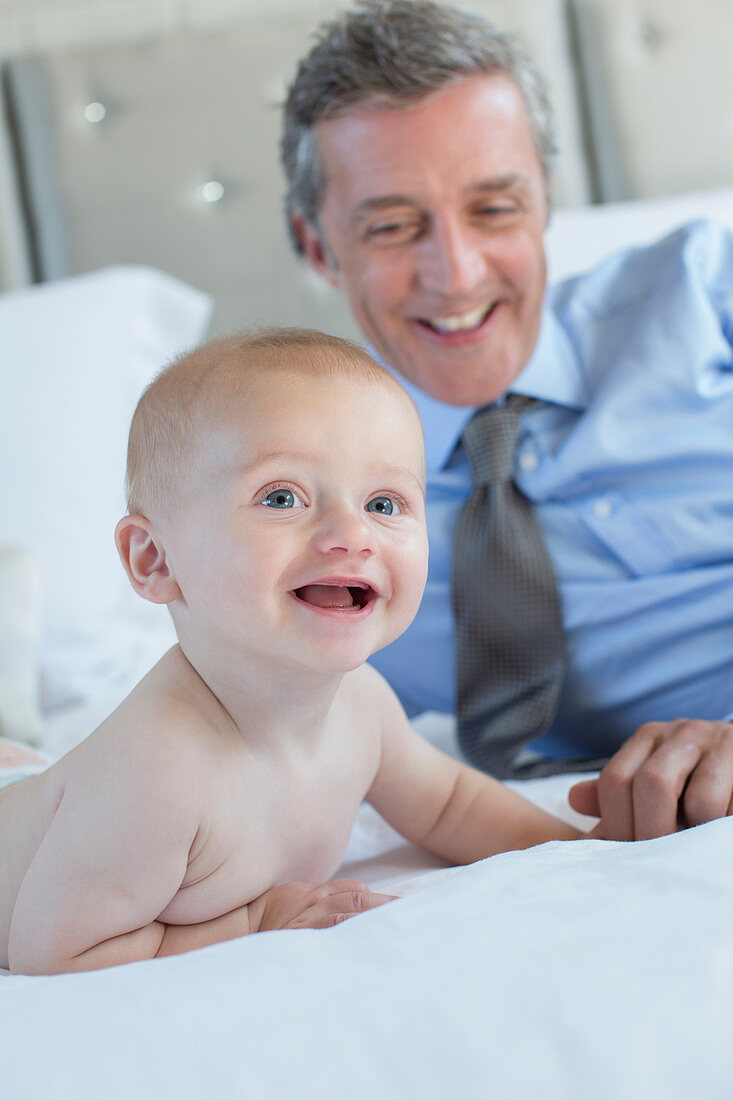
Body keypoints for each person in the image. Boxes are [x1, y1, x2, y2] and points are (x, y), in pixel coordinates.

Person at [1, 326, 598, 976]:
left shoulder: (361, 703)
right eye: (281, 497)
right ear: (155, 559)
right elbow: (53, 949)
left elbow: (450, 804)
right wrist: (253, 920)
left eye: (383, 502)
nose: (351, 534)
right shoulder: (157, 771)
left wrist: (587, 851)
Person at [281, 0, 733, 840]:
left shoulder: (705, 292)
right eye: (391, 225)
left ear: (543, 200)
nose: (454, 274)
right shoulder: (292, 495)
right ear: (316, 246)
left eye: (492, 209)